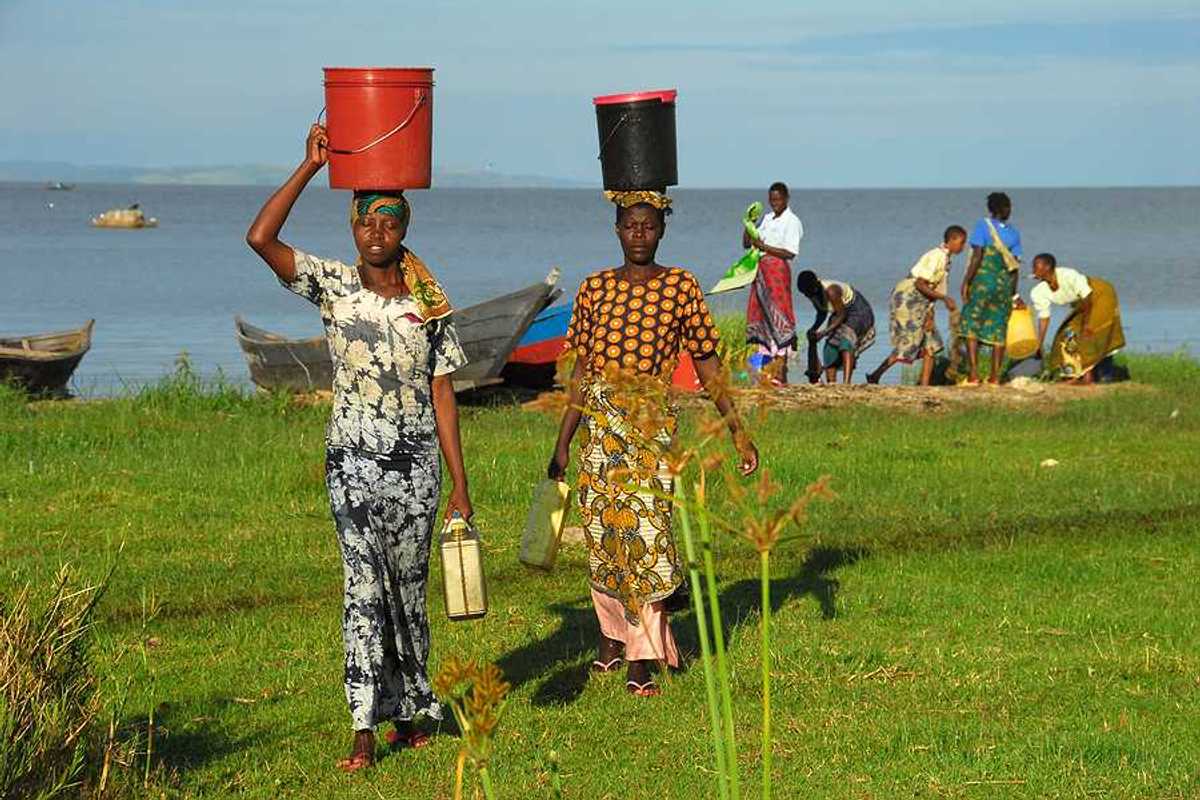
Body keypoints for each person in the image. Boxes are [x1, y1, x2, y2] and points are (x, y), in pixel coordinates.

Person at [245, 124, 473, 772]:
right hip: (351, 461)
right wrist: (309, 165)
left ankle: (415, 708)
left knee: (407, 589)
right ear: (353, 228)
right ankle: (363, 725)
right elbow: (260, 238)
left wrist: (459, 485)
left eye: (389, 221)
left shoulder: (430, 303)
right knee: (362, 587)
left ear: (404, 228)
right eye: (368, 222)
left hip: (417, 469)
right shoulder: (334, 285)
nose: (377, 232)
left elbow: (444, 395)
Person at [549, 190, 759, 697]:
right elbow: (580, 373)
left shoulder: (680, 286)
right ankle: (609, 636)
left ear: (661, 229)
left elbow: (707, 362)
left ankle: (641, 657)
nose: (639, 234)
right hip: (600, 429)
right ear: (616, 230)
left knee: (649, 539)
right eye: (630, 226)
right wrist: (561, 442)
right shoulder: (594, 288)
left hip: (650, 431)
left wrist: (737, 428)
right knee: (604, 539)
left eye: (648, 226)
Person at [867, 226, 966, 385]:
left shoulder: (946, 259)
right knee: (909, 342)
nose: (962, 247)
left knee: (931, 343)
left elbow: (933, 287)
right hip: (909, 298)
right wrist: (944, 298)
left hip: (922, 300)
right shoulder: (937, 256)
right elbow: (920, 284)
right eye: (961, 243)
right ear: (952, 240)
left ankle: (924, 385)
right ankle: (876, 374)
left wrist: (930, 314)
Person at [1028, 253, 1126, 383]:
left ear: (1048, 267)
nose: (1033, 271)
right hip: (1083, 303)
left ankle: (1092, 377)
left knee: (1091, 333)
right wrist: (1039, 345)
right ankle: (1074, 374)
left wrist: (1086, 325)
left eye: (1036, 267)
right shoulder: (1038, 291)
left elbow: (1087, 297)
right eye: (1033, 267)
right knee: (1066, 335)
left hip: (1100, 294)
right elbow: (1044, 318)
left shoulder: (1068, 275)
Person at [958, 192, 1022, 385]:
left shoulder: (983, 226)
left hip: (983, 284)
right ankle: (995, 377)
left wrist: (966, 281)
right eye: (1008, 206)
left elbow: (977, 256)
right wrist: (1013, 293)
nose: (1009, 210)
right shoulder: (1014, 233)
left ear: (992, 209)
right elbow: (1015, 267)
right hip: (1003, 287)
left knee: (971, 325)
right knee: (998, 330)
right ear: (1003, 209)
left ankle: (974, 375)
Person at [743, 182, 803, 384]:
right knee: (764, 322)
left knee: (781, 319)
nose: (774, 203)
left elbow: (790, 252)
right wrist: (749, 224)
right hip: (761, 276)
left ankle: (780, 375)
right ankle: (768, 375)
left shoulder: (792, 221)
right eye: (772, 200)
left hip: (777, 274)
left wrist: (764, 247)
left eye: (778, 200)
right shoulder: (767, 219)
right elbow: (747, 243)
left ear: (786, 199)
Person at [796, 270, 876, 384]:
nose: (807, 296)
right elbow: (822, 313)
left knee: (846, 342)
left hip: (858, 312)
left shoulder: (831, 291)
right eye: (805, 294)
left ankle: (846, 383)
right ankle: (831, 383)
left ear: (814, 287)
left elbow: (841, 315)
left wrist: (823, 333)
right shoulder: (812, 293)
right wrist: (814, 328)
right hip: (840, 313)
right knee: (830, 347)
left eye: (808, 292)